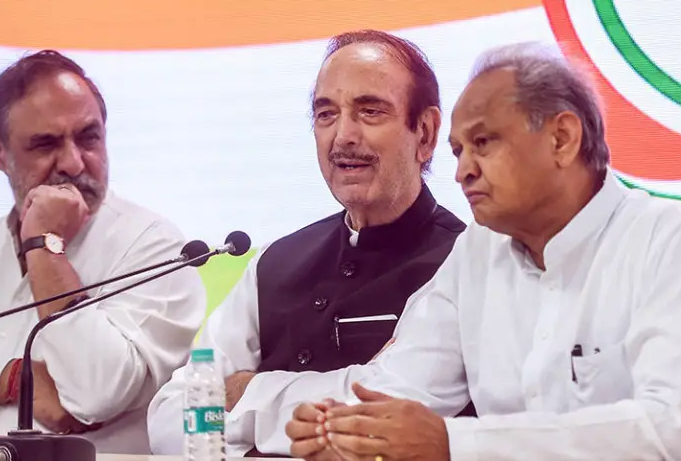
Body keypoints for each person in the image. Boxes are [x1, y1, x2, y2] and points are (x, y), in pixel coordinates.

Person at [261, 43, 681, 460]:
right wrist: (338, 426)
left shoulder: (666, 237)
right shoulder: (477, 253)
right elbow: (402, 386)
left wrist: (455, 444)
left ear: (562, 138)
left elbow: (664, 431)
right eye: (458, 151)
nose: (463, 172)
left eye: (483, 143)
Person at [148, 30, 467, 456]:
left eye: (370, 111)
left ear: (425, 134)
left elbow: (382, 417)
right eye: (326, 114)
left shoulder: (463, 262)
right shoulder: (273, 263)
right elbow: (170, 417)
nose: (343, 136)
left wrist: (245, 392)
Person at [0, 51, 205, 453]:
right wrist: (14, 379)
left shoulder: (158, 249)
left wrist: (44, 244)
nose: (74, 163)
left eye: (89, 137)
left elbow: (96, 393)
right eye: (45, 144)